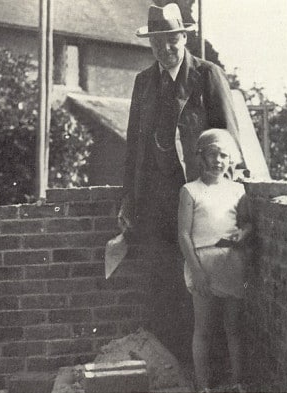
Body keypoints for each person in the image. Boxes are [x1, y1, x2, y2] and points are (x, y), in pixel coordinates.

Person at [119, 3, 246, 361]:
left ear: (184, 37)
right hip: (157, 201)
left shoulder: (207, 76)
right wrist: (129, 199)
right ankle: (174, 369)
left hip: (202, 200)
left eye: (171, 40)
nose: (165, 49)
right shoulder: (143, 82)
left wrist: (230, 196)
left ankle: (213, 374)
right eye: (157, 42)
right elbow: (134, 146)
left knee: (206, 284)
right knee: (165, 285)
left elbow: (229, 140)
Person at [178, 129, 250, 392]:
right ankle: (203, 385)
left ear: (230, 160)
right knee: (204, 329)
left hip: (231, 263)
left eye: (223, 155)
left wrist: (243, 235)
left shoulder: (237, 190)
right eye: (212, 154)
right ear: (201, 157)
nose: (218, 160)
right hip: (203, 263)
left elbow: (246, 224)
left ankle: (238, 382)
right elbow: (183, 234)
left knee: (234, 327)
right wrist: (196, 271)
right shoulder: (190, 191)